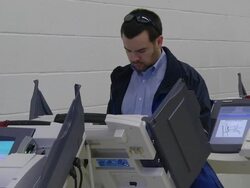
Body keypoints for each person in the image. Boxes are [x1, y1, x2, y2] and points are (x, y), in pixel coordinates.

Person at [107, 8, 223, 188]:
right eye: (128, 50)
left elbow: (203, 131)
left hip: (183, 173)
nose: (134, 58)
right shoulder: (120, 81)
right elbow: (111, 128)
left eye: (141, 50)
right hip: (133, 174)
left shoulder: (186, 78)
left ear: (159, 41)